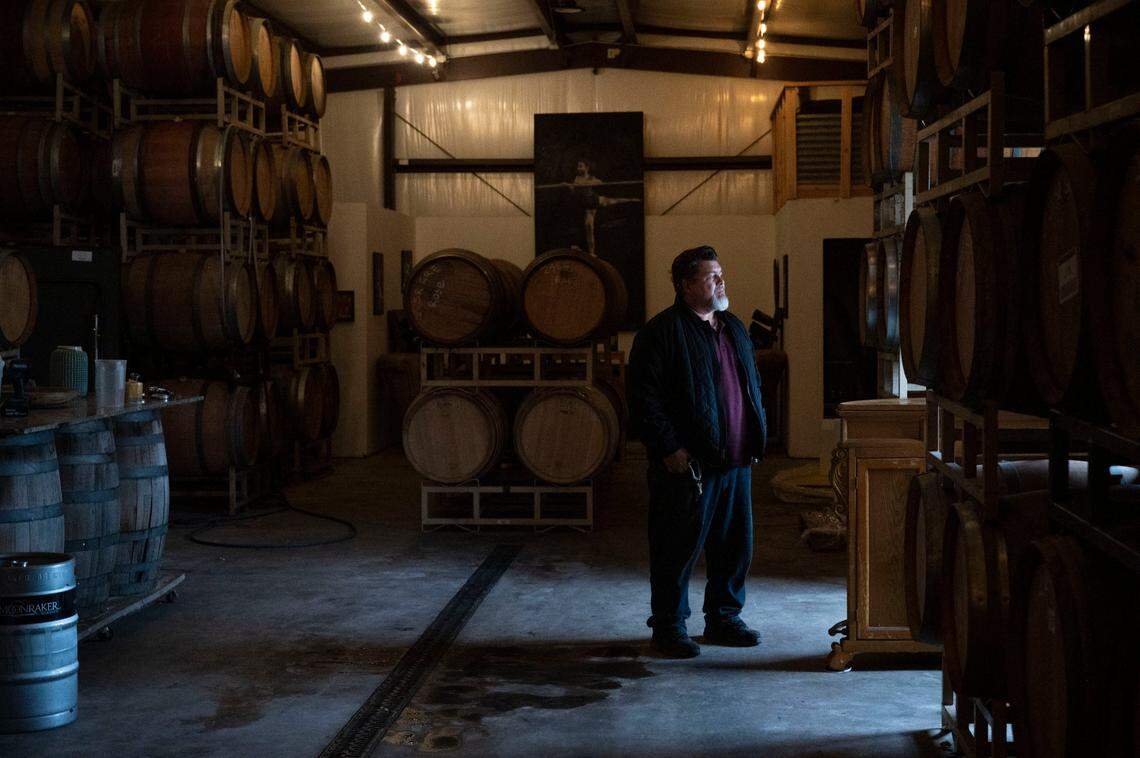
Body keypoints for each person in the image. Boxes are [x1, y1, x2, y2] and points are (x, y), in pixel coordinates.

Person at [628, 245, 768, 658]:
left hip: (737, 459)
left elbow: (751, 384)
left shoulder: (734, 327)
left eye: (721, 274)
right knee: (677, 547)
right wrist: (669, 447)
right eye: (711, 276)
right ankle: (669, 626)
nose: (721, 281)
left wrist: (755, 435)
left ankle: (724, 617)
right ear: (686, 285)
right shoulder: (661, 332)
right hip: (689, 464)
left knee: (734, 546)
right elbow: (643, 398)